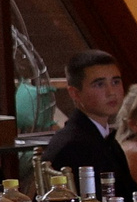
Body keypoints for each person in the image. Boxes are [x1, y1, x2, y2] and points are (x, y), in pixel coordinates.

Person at [42, 50, 132, 188]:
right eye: (100, 84)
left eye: (115, 82)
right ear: (75, 93)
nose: (111, 92)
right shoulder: (71, 146)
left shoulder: (106, 141)